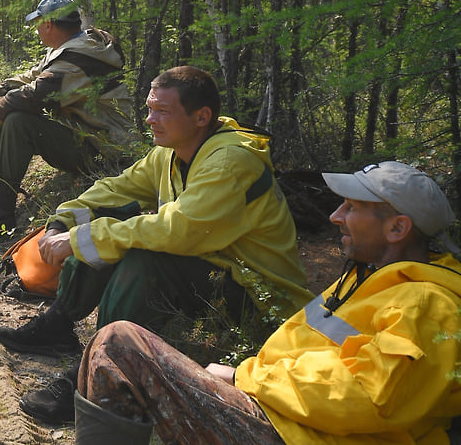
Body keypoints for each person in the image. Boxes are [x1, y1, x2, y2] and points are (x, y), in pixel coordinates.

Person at [0, 65, 312, 424]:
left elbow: (176, 231)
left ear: (201, 117)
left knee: (140, 257)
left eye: (162, 111)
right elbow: (119, 188)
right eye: (149, 108)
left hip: (259, 296)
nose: (150, 119)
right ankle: (60, 322)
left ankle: (95, 380)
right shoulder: (173, 151)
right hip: (212, 270)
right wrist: (65, 221)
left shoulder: (229, 162)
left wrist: (84, 238)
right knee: (105, 226)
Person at [73, 161, 461, 444]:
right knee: (113, 347)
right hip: (283, 418)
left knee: (120, 344)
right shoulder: (365, 279)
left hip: (295, 434)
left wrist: (245, 378)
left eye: (352, 208)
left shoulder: (425, 303)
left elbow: (369, 398)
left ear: (397, 228)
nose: (335, 215)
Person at [0, 0, 133, 244]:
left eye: (37, 22)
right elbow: (30, 79)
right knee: (4, 112)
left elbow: (35, 96)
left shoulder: (79, 59)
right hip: (85, 136)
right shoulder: (70, 49)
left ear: (48, 24)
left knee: (16, 120)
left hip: (101, 153)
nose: (35, 28)